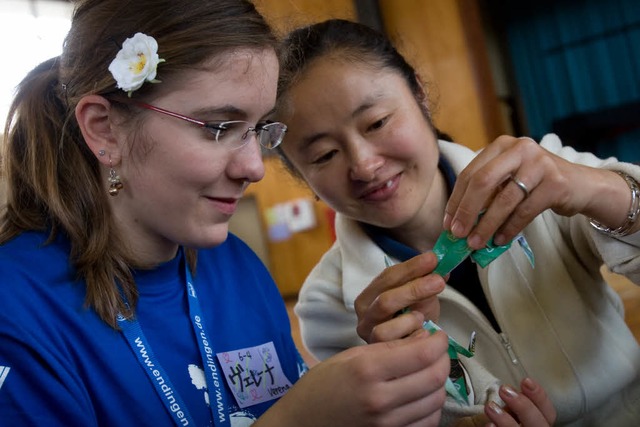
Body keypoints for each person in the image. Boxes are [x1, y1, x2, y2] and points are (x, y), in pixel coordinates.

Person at [0, 2, 463, 426]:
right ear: (104, 129)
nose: (254, 168)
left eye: (258, 129)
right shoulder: (16, 311)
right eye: (220, 127)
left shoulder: (235, 266)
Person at [274, 18, 640, 427]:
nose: (364, 165)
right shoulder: (329, 304)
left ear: (418, 95)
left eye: (377, 123)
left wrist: (600, 191)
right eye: (324, 155)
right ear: (301, 175)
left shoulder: (540, 175)